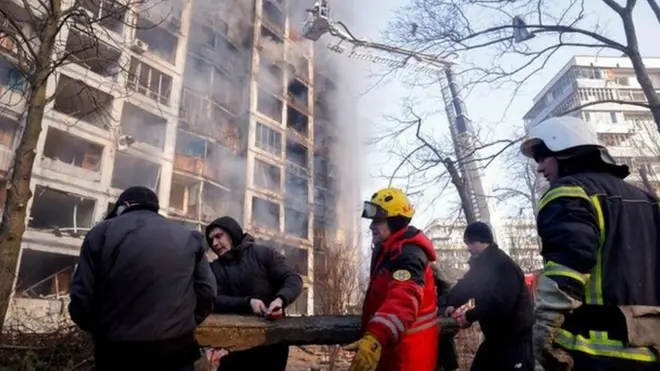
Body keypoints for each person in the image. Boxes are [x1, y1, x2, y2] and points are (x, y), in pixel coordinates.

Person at [521, 116, 660, 371]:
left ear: (565, 151)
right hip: (650, 351)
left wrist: (543, 329)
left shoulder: (568, 193)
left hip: (594, 354)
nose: (540, 168)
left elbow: (567, 267)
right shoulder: (648, 201)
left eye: (542, 157)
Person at [69, 186, 217, 371]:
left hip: (117, 354)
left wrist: (101, 332)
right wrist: (186, 323)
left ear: (124, 206)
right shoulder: (189, 237)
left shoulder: (100, 234)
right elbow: (208, 292)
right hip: (176, 352)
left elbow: (81, 299)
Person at [347, 187, 439, 371]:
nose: (372, 226)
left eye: (378, 221)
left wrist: (375, 336)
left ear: (395, 222)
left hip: (408, 358)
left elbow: (404, 297)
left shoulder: (408, 254)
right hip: (394, 353)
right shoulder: (389, 250)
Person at [205, 216, 303, 371]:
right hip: (234, 345)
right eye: (211, 240)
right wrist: (247, 302)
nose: (215, 244)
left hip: (271, 344)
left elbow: (293, 279)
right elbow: (211, 300)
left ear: (232, 233)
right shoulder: (214, 269)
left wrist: (280, 300)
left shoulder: (263, 254)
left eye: (218, 236)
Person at [443, 222, 535, 371]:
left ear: (484, 240)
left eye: (471, 242)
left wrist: (470, 315)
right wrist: (450, 302)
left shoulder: (505, 265)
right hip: (495, 340)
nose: (468, 248)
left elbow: (501, 304)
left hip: (515, 341)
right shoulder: (481, 266)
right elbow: (466, 286)